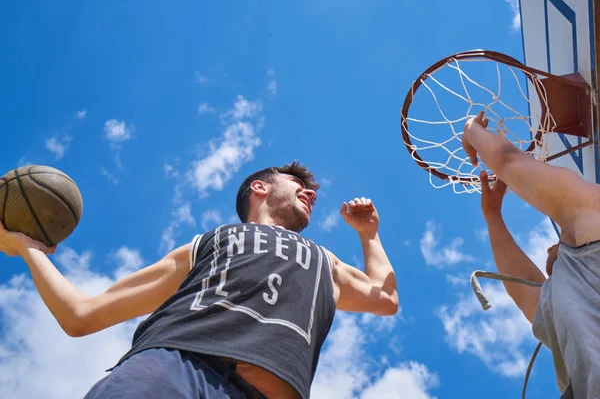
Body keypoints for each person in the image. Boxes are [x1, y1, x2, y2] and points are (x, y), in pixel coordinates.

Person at [0, 161, 398, 399]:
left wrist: (369, 233)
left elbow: (386, 298)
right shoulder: (208, 243)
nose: (310, 193)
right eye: (299, 186)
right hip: (170, 372)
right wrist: (26, 248)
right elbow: (82, 314)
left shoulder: (323, 260)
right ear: (260, 187)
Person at [464, 111, 600, 398]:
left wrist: (471, 130)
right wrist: (492, 216)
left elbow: (506, 159)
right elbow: (522, 284)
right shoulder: (562, 299)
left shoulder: (589, 218)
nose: (550, 247)